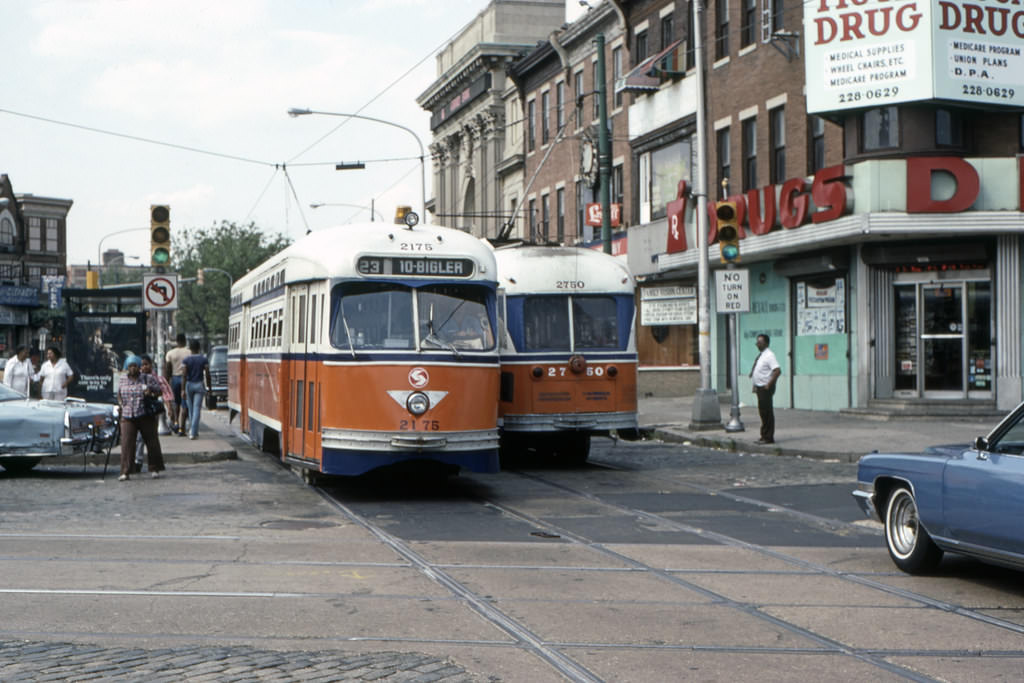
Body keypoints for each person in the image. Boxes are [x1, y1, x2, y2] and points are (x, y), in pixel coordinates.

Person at [116, 355, 166, 481]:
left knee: (152, 441)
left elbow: (159, 391)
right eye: (130, 366)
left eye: (135, 366)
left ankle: (154, 468)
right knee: (127, 443)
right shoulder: (122, 379)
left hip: (144, 414)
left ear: (139, 367)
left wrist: (150, 392)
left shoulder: (147, 378)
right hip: (128, 415)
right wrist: (121, 404)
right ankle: (125, 471)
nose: (133, 369)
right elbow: (119, 394)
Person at [134, 355, 175, 472]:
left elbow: (165, 394)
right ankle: (138, 461)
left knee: (151, 438)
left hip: (151, 412)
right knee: (139, 438)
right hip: (138, 412)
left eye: (146, 364)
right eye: (141, 365)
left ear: (151, 365)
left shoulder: (157, 378)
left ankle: (154, 464)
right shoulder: (136, 378)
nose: (143, 367)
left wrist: (169, 409)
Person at [750, 333, 782, 444]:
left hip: (765, 388)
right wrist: (755, 384)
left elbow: (777, 371)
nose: (757, 344)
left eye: (760, 342)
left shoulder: (769, 355)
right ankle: (764, 435)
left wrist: (769, 384)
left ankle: (768, 437)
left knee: (766, 412)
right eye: (757, 342)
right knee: (762, 412)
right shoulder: (762, 355)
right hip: (760, 387)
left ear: (766, 343)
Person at [181, 339, 211, 440]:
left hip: (189, 385)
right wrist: (209, 387)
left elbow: (184, 375)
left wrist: (183, 389)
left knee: (191, 409)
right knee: (197, 408)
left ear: (190, 349)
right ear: (199, 348)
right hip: (199, 384)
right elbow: (207, 373)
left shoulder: (186, 360)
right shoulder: (203, 359)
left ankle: (192, 430)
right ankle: (194, 432)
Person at [164, 333, 190, 435]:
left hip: (174, 379)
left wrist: (166, 383)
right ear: (185, 341)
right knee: (185, 404)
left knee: (176, 403)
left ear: (177, 341)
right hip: (186, 379)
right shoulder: (189, 352)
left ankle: (175, 422)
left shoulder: (170, 353)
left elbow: (168, 369)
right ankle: (182, 428)